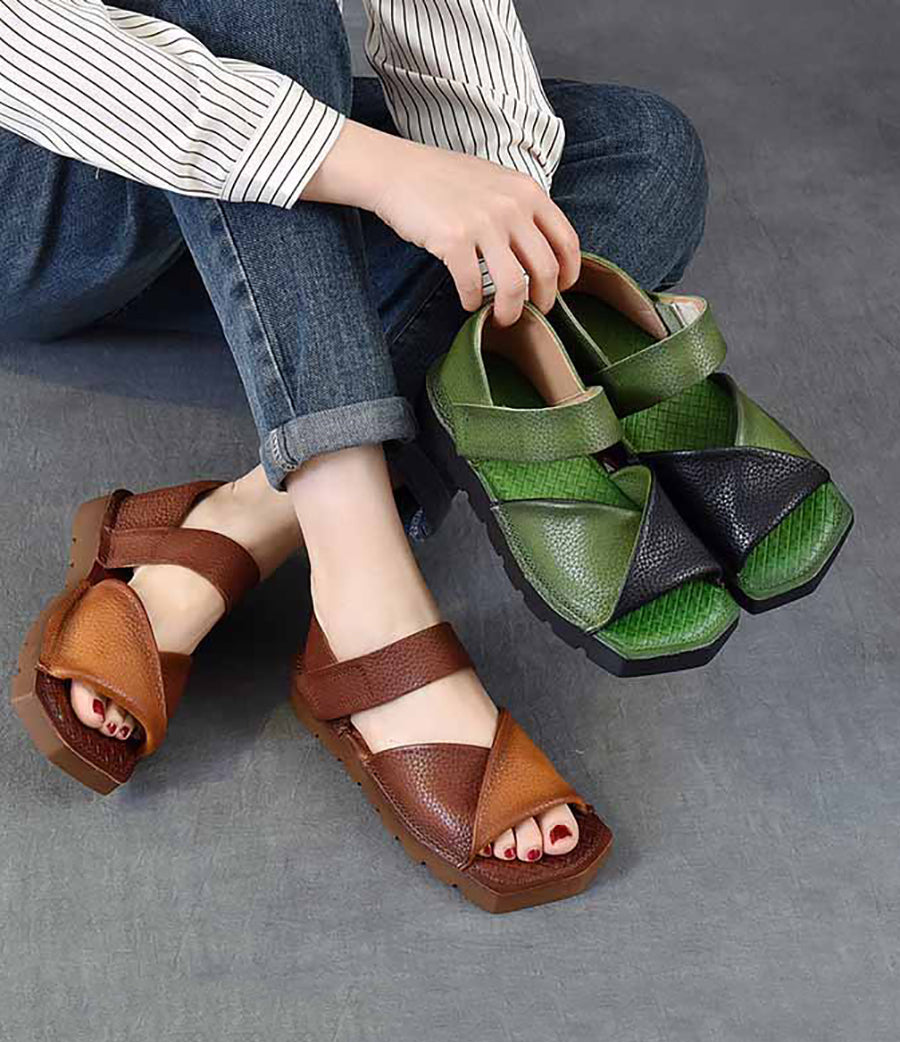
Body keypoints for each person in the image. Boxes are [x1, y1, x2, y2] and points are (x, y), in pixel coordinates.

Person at [0, 0, 708, 909]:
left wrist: (470, 193)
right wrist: (376, 168)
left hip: (199, 200)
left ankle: (251, 517)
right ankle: (370, 601)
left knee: (643, 159)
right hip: (37, 181)